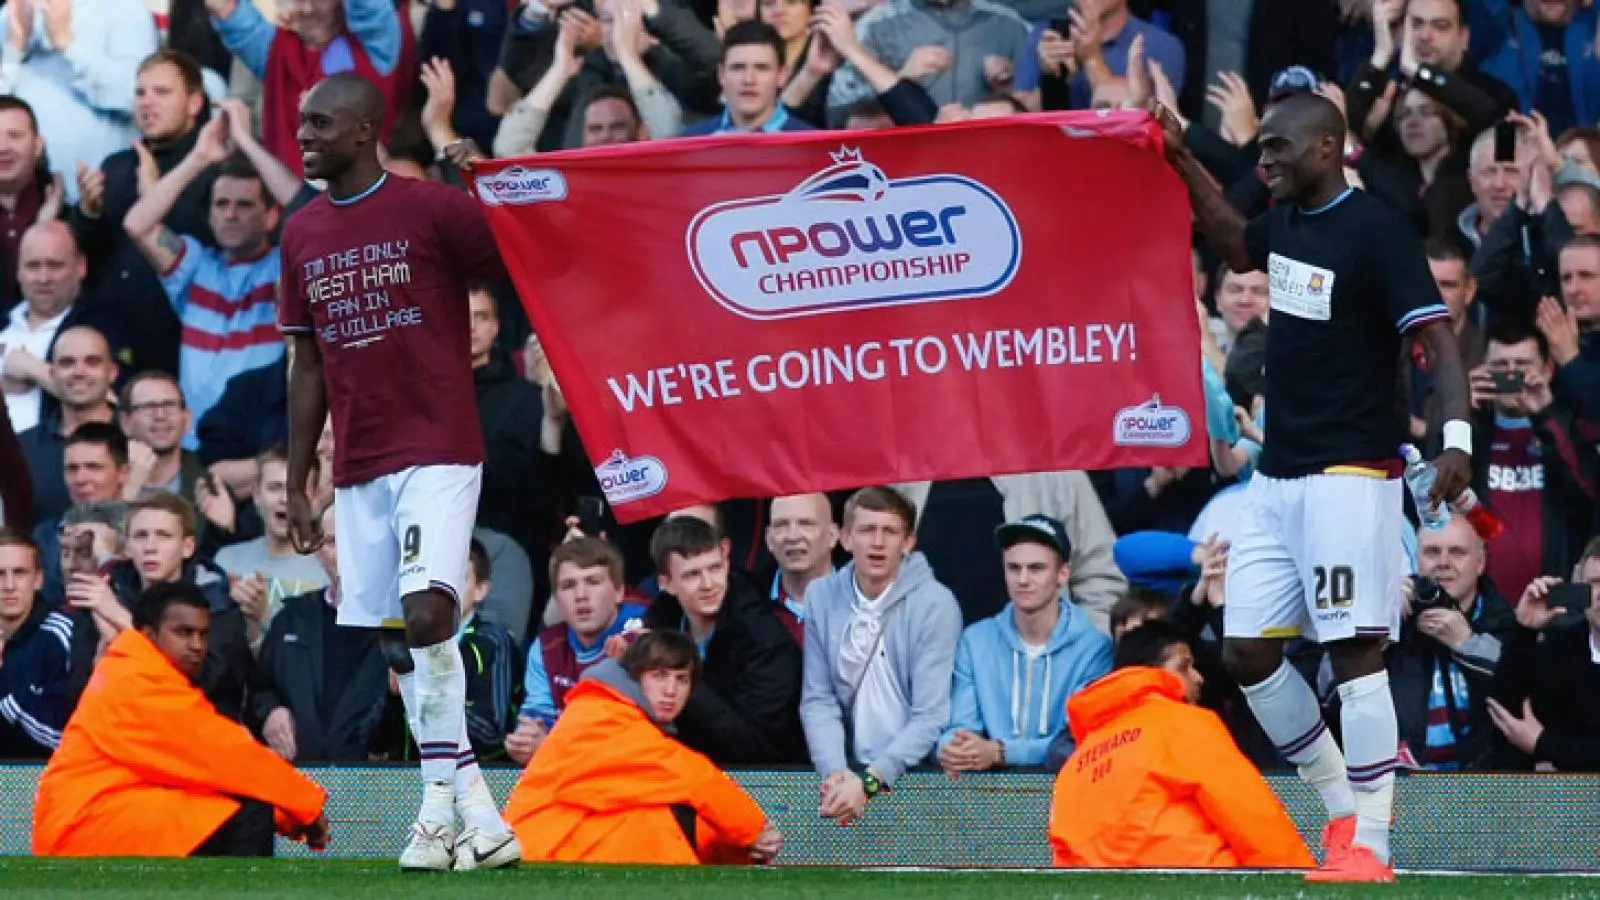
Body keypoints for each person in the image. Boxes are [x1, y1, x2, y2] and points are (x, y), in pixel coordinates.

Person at [1157, 90, 1474, 883]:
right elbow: (1234, 247)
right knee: (1247, 652)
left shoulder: (1375, 233)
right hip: (1276, 479)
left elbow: (1435, 336)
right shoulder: (1287, 222)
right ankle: (1341, 810)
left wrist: (1456, 440)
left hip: (1348, 478)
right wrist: (1178, 154)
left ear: (1327, 148)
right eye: (1259, 147)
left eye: (1276, 148)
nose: (1263, 160)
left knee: (1354, 652)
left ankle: (1374, 843)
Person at [278, 73, 517, 870]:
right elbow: (305, 363)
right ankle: (482, 820)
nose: (304, 134)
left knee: (424, 618)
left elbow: (511, 238)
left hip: (438, 443)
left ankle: (433, 808)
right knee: (394, 641)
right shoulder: (302, 233)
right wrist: (296, 481)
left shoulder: (430, 207)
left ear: (364, 130)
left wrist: (458, 145)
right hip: (357, 462)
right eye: (302, 122)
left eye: (320, 122)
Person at [33, 581, 329, 857]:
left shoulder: (136, 670)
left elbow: (205, 767)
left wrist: (287, 814)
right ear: (149, 635)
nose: (198, 645)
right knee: (251, 812)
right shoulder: (140, 682)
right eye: (183, 633)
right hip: (86, 826)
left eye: (202, 634)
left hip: (93, 818)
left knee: (244, 808)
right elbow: (226, 755)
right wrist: (305, 806)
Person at [1047, 620, 1314, 869]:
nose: (1198, 677)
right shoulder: (1184, 724)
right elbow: (1253, 818)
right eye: (1184, 666)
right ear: (1149, 672)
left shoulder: (1076, 765)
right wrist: (1303, 882)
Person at [503, 630, 783, 865]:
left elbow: (686, 813)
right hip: (539, 849)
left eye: (681, 679)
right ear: (636, 678)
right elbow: (692, 777)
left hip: (557, 844)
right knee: (653, 818)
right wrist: (753, 831)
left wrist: (739, 846)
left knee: (655, 813)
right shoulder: (603, 714)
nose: (670, 690)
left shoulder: (615, 711)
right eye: (659, 676)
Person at [799, 486, 962, 824]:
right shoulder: (820, 595)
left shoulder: (936, 604)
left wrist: (870, 782)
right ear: (844, 537)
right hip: (847, 777)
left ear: (908, 542)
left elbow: (930, 717)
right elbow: (818, 698)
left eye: (889, 532)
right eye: (866, 530)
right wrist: (835, 774)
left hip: (917, 777)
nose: (877, 542)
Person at [939, 515, 1113, 771]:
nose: (1022, 579)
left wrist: (1001, 751)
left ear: (1063, 574)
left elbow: (1080, 740)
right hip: (985, 792)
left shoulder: (1094, 648)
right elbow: (959, 726)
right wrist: (954, 749)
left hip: (1062, 789)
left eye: (1036, 568)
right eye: (1013, 567)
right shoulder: (975, 640)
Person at [643, 516, 807, 764]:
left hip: (767, 783)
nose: (709, 584)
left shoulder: (765, 640)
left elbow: (758, 747)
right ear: (666, 584)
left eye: (715, 568)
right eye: (692, 575)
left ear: (727, 562)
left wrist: (683, 680)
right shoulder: (659, 626)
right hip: (683, 773)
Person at [250, 503, 389, 763]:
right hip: (301, 781)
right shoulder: (292, 618)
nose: (348, 553)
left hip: (377, 789)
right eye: (334, 542)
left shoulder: (403, 623)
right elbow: (259, 689)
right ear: (318, 552)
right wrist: (270, 712)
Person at [509, 536, 649, 765]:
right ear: (557, 598)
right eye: (568, 585)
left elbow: (635, 734)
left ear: (619, 592)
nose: (581, 595)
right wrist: (527, 739)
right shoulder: (546, 647)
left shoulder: (644, 637)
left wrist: (554, 745)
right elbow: (535, 716)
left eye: (593, 582)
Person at [214, 445, 331, 644]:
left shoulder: (329, 566)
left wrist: (266, 617)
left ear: (313, 498)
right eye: (275, 487)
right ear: (256, 494)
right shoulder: (226, 560)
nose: (284, 499)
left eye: (296, 489)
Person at [0, 529, 74, 758]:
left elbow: (60, 736)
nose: (9, 585)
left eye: (20, 573)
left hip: (37, 777)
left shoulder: (59, 633)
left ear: (38, 580)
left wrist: (3, 677)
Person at [682, 21, 816, 135]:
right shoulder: (688, 143)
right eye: (738, 68)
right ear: (721, 75)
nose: (749, 80)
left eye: (761, 68)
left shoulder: (812, 147)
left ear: (782, 76)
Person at [763, 492, 838, 645]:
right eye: (781, 525)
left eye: (806, 524)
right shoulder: (746, 606)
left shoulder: (865, 601)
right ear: (768, 539)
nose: (793, 536)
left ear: (832, 535)